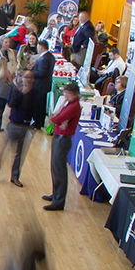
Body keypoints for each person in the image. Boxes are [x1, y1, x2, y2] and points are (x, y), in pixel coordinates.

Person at [0, 71, 37, 187]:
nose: (28, 80)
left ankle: (15, 177)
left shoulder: (35, 92)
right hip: (13, 124)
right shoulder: (15, 89)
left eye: (30, 77)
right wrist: (23, 94)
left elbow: (36, 109)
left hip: (25, 127)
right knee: (1, 151)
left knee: (19, 155)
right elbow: (11, 103)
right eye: (26, 77)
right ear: (22, 78)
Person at [43, 81, 82, 211]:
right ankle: (55, 194)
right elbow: (58, 115)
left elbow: (58, 118)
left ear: (74, 94)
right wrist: (58, 119)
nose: (65, 95)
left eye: (67, 93)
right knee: (54, 167)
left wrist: (56, 120)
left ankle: (59, 201)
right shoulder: (67, 103)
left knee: (59, 170)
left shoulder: (74, 106)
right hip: (58, 136)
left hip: (63, 139)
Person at [30, 41, 55, 129]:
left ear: (41, 47)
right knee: (42, 105)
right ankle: (40, 122)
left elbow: (41, 73)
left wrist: (31, 72)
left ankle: (37, 123)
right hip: (44, 85)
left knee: (38, 106)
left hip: (40, 86)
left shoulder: (44, 58)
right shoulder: (50, 56)